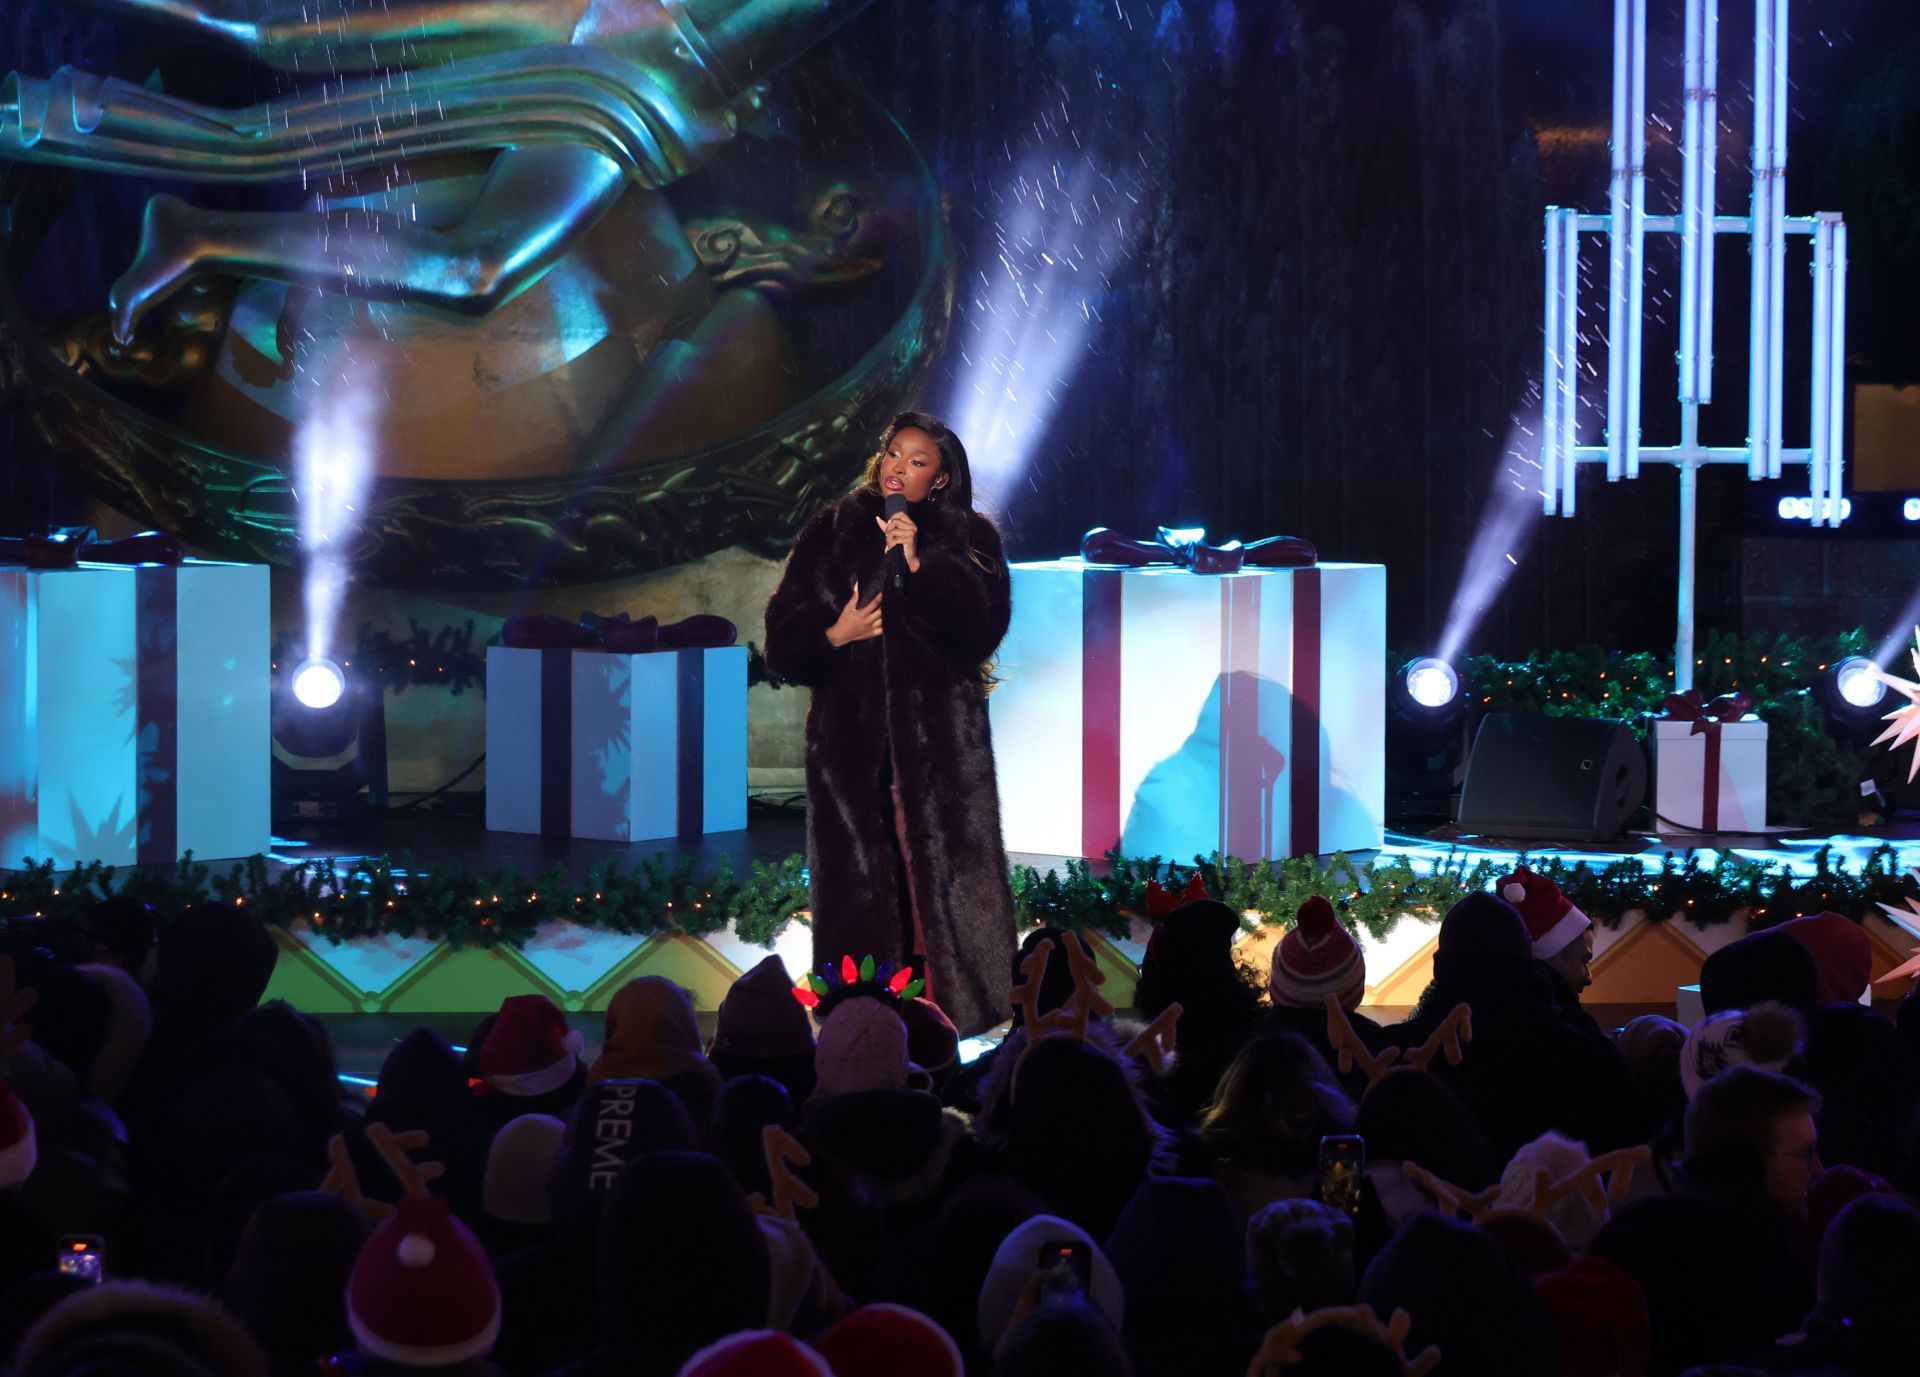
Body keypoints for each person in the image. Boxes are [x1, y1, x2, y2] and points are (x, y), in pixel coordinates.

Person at [763, 412, 1019, 1036]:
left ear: (939, 479)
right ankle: (864, 1025)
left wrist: (919, 565)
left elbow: (981, 630)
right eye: (894, 453)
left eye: (918, 459)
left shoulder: (969, 538)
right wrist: (835, 633)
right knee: (861, 886)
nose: (899, 467)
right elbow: (781, 642)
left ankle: (959, 1019)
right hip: (850, 749)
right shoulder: (831, 531)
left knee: (941, 878)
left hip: (939, 752)